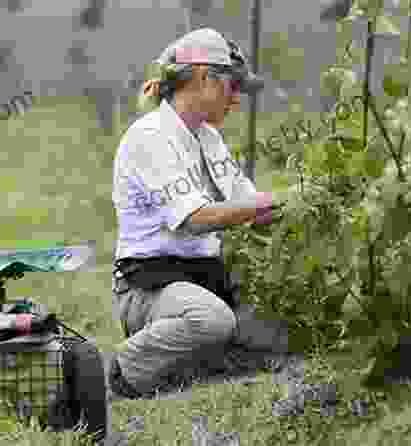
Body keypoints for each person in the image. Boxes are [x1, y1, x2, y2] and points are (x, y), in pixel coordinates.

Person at [109, 27, 280, 399]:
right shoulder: (150, 137)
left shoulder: (208, 138)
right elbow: (195, 218)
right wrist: (264, 204)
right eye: (232, 87)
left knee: (276, 324)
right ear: (204, 78)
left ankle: (195, 362)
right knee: (212, 321)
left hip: (200, 280)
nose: (236, 100)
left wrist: (290, 204)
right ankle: (126, 368)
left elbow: (245, 201)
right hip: (151, 287)